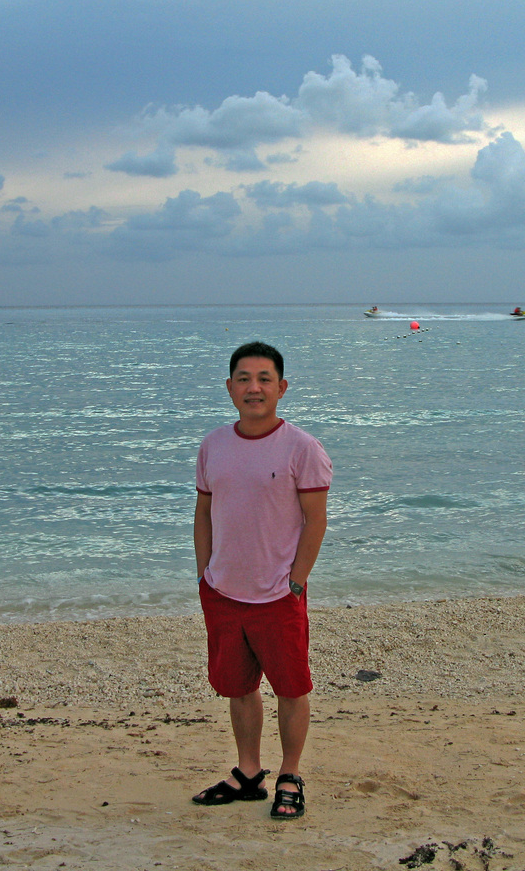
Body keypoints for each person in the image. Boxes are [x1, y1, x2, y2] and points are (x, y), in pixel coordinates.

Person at [192, 341, 331, 820]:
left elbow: (316, 520)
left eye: (264, 379)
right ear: (230, 388)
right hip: (223, 592)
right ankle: (249, 772)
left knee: (291, 688)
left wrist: (296, 581)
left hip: (278, 594)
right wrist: (204, 574)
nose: (254, 388)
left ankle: (290, 774)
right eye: (244, 379)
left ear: (282, 388)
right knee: (239, 687)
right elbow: (204, 511)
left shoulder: (302, 448)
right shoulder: (213, 445)